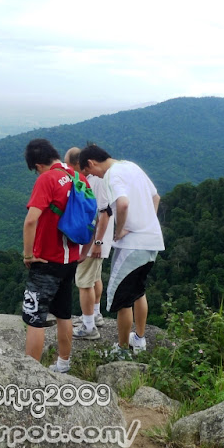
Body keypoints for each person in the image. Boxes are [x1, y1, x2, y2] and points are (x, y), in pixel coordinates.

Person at [78, 144, 164, 354]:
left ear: (91, 163)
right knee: (138, 291)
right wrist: (147, 223)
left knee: (122, 298)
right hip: (152, 240)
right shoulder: (132, 166)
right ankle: (139, 340)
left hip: (132, 245)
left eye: (90, 172)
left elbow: (123, 204)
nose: (94, 177)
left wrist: (121, 229)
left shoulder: (111, 174)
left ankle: (123, 349)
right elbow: (156, 197)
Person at [22, 138, 87, 373]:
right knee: (63, 314)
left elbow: (31, 220)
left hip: (47, 259)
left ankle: (31, 373)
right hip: (70, 259)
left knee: (35, 318)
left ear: (38, 165)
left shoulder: (47, 179)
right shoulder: (77, 177)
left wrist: (28, 255)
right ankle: (63, 364)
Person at [64, 147, 113, 340]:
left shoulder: (97, 180)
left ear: (78, 164)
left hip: (94, 241)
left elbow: (104, 212)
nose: (68, 169)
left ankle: (89, 327)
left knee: (84, 282)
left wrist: (98, 242)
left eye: (69, 165)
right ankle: (95, 315)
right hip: (96, 240)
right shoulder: (91, 178)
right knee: (94, 278)